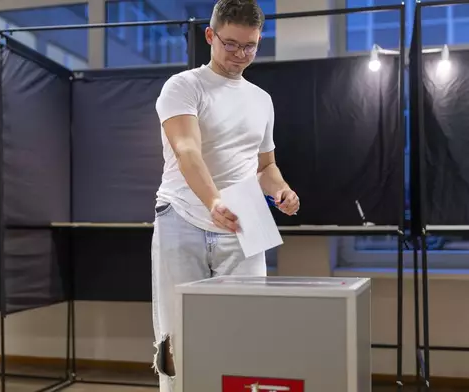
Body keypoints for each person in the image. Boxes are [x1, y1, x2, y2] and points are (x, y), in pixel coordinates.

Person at [150, 0, 300, 391]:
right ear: (210, 36)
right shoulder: (184, 86)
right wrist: (213, 201)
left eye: (249, 46)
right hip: (183, 213)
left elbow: (265, 167)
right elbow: (187, 150)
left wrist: (281, 190)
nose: (239, 55)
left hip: (244, 220)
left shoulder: (261, 100)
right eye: (230, 44)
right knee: (177, 334)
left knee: (246, 328)